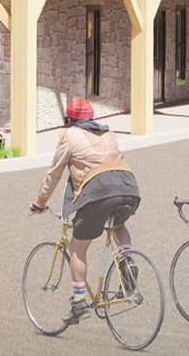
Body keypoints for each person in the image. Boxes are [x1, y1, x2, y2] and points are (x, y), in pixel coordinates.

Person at [31, 97, 143, 326]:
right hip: (128, 186)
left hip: (98, 191)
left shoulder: (69, 135)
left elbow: (55, 173)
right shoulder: (108, 132)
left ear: (69, 119)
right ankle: (127, 259)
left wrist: (40, 202)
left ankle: (79, 303)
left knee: (78, 246)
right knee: (118, 226)